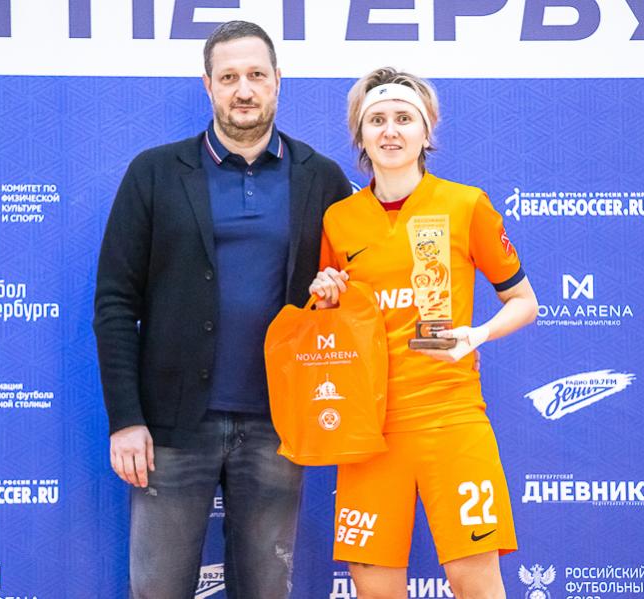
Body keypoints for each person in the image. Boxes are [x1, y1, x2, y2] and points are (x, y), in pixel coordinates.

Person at [93, 21, 352, 598]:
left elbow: (354, 293)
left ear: (278, 81)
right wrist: (126, 419)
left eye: (256, 75)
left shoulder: (322, 178)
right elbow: (115, 303)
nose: (244, 90)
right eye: (229, 77)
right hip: (171, 429)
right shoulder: (155, 173)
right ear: (207, 85)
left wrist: (338, 295)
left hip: (279, 427)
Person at [309, 67, 538, 599]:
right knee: (374, 586)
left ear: (427, 129)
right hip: (368, 432)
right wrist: (326, 302)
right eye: (377, 120)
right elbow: (329, 330)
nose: (390, 131)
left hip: (450, 417)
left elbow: (524, 302)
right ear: (360, 133)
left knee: (474, 581)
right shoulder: (339, 220)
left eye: (404, 118)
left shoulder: (466, 204)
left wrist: (476, 335)